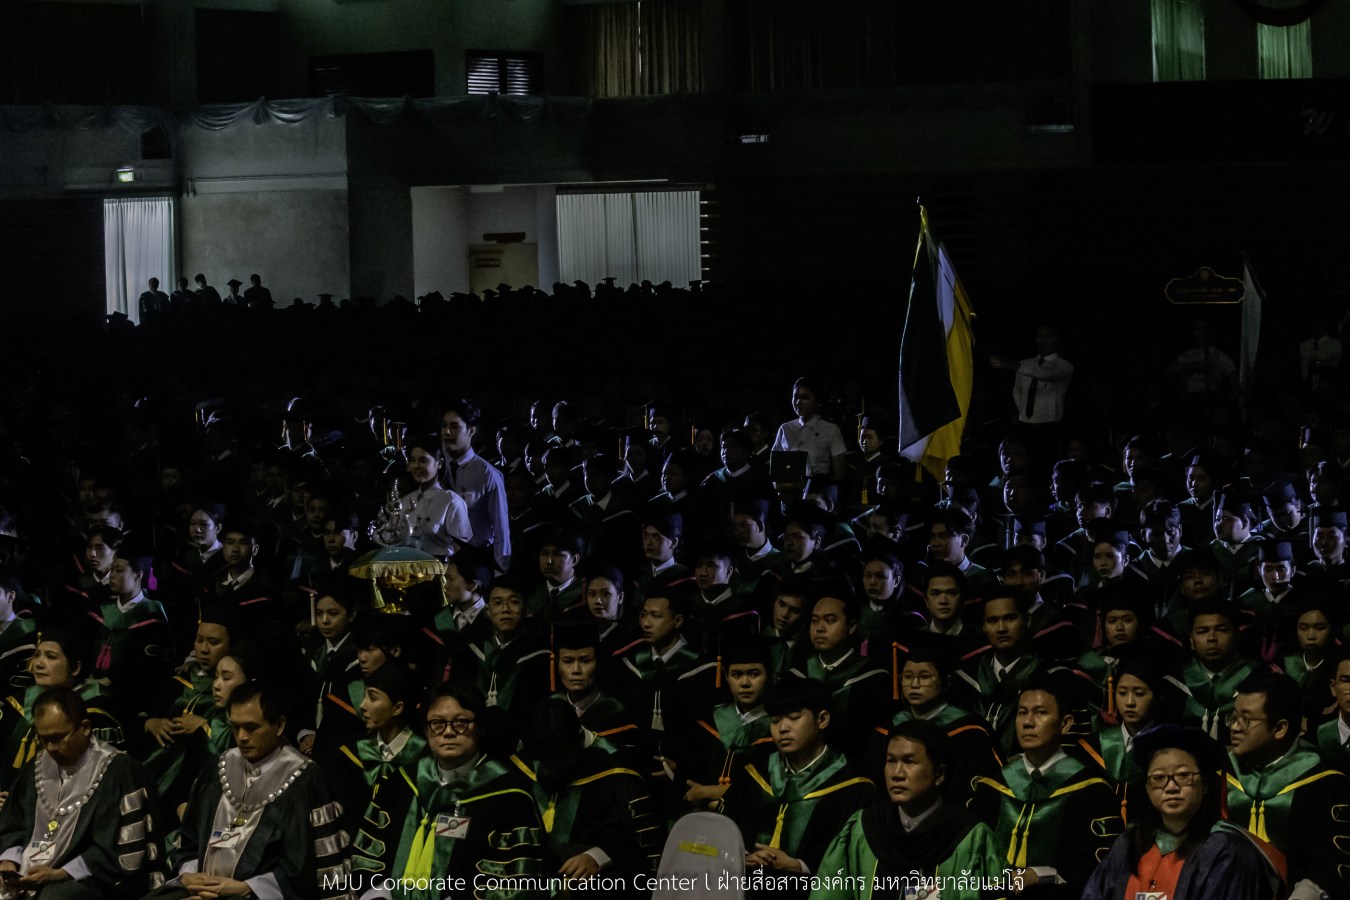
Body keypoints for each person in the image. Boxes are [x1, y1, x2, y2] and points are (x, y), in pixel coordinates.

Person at [147, 680, 354, 899]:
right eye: (235, 727)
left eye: (251, 727)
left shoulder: (305, 781)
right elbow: (189, 841)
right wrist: (190, 875)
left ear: (279, 725)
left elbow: (307, 867)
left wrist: (248, 888)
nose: (242, 737)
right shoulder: (218, 769)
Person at [379, 683, 548, 899]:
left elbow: (520, 879)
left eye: (461, 723)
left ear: (481, 727)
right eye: (437, 723)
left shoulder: (508, 795)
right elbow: (369, 854)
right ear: (426, 730)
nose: (448, 732)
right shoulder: (401, 784)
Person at [809, 719, 1004, 900]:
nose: (897, 774)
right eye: (891, 761)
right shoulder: (864, 828)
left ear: (939, 774)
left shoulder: (969, 837)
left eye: (909, 762)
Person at [1082, 724, 1282, 900]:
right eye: (1159, 778)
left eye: (1183, 775)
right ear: (1148, 789)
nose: (1171, 787)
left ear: (1204, 784)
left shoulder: (1226, 850)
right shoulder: (1129, 844)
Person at [718, 676, 875, 893]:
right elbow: (725, 834)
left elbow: (854, 862)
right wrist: (743, 857)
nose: (783, 728)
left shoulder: (852, 787)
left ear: (822, 719)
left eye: (793, 718)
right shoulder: (754, 775)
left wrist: (799, 866)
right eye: (775, 720)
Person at [970, 674, 1122, 897]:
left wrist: (1042, 874)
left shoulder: (1091, 790)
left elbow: (1102, 864)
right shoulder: (992, 785)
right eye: (1022, 712)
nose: (1028, 722)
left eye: (1040, 713)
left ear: (1065, 724)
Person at [0, 688, 157, 898]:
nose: (51, 748)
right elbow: (13, 824)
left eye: (58, 738)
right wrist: (9, 861)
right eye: (43, 739)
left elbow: (115, 848)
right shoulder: (37, 767)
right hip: (29, 868)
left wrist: (59, 874)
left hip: (91, 879)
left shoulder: (118, 772)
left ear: (85, 727)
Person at [1226, 670, 1350, 897]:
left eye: (1246, 719)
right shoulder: (1220, 776)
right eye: (1233, 717)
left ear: (1280, 728)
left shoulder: (1325, 785)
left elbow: (1329, 865)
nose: (1234, 727)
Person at [439, 399, 512, 573]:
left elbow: (501, 530)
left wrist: (500, 572)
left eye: (454, 426)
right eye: (444, 426)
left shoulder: (487, 474)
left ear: (471, 431)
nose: (447, 432)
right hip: (439, 559)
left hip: (473, 561)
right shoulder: (436, 466)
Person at [400, 435, 471, 559]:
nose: (416, 466)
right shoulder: (404, 501)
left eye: (423, 460)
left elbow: (460, 549)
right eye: (412, 460)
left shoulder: (451, 501)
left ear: (439, 463)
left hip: (439, 567)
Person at [773, 377, 847, 482]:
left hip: (820, 488)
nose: (798, 402)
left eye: (805, 397)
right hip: (789, 489)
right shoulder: (785, 429)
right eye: (795, 397)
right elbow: (775, 469)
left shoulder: (831, 430)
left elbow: (840, 475)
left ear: (817, 400)